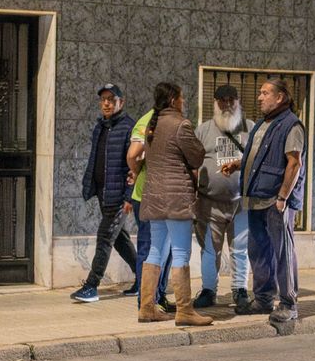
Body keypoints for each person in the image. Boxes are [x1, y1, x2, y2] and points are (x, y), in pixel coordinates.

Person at [221, 79, 305, 323]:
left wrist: (283, 198)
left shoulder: (291, 125)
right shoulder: (263, 124)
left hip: (275, 201)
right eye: (260, 93)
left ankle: (288, 304)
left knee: (282, 252)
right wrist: (238, 163)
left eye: (265, 93)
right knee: (258, 251)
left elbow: (294, 163)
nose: (259, 97)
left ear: (279, 98)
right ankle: (264, 299)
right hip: (256, 197)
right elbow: (257, 155)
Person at [138, 82, 212, 326]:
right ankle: (185, 310)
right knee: (181, 251)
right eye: (181, 98)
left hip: (154, 196)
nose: (184, 102)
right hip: (176, 197)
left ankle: (147, 306)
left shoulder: (152, 124)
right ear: (172, 100)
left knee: (155, 250)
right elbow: (197, 156)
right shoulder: (181, 124)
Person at [72, 83, 136, 303]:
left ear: (121, 102)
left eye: (111, 99)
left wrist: (129, 196)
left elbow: (135, 165)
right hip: (103, 192)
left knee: (104, 237)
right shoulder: (100, 126)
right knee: (119, 239)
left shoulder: (129, 127)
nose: (106, 103)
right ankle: (145, 278)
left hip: (119, 196)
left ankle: (92, 286)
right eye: (103, 100)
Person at [192, 84, 253, 312]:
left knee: (240, 249)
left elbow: (258, 160)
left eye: (231, 100)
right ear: (214, 103)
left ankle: (240, 289)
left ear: (238, 102)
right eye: (221, 100)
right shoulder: (203, 131)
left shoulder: (251, 129)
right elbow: (193, 165)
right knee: (209, 249)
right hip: (209, 204)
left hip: (241, 204)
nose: (226, 104)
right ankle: (209, 290)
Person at [126, 109, 175, 314]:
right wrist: (137, 171)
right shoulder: (150, 121)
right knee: (152, 249)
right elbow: (132, 154)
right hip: (151, 196)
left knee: (166, 249)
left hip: (155, 196)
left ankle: (158, 297)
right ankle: (147, 302)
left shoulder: (152, 121)